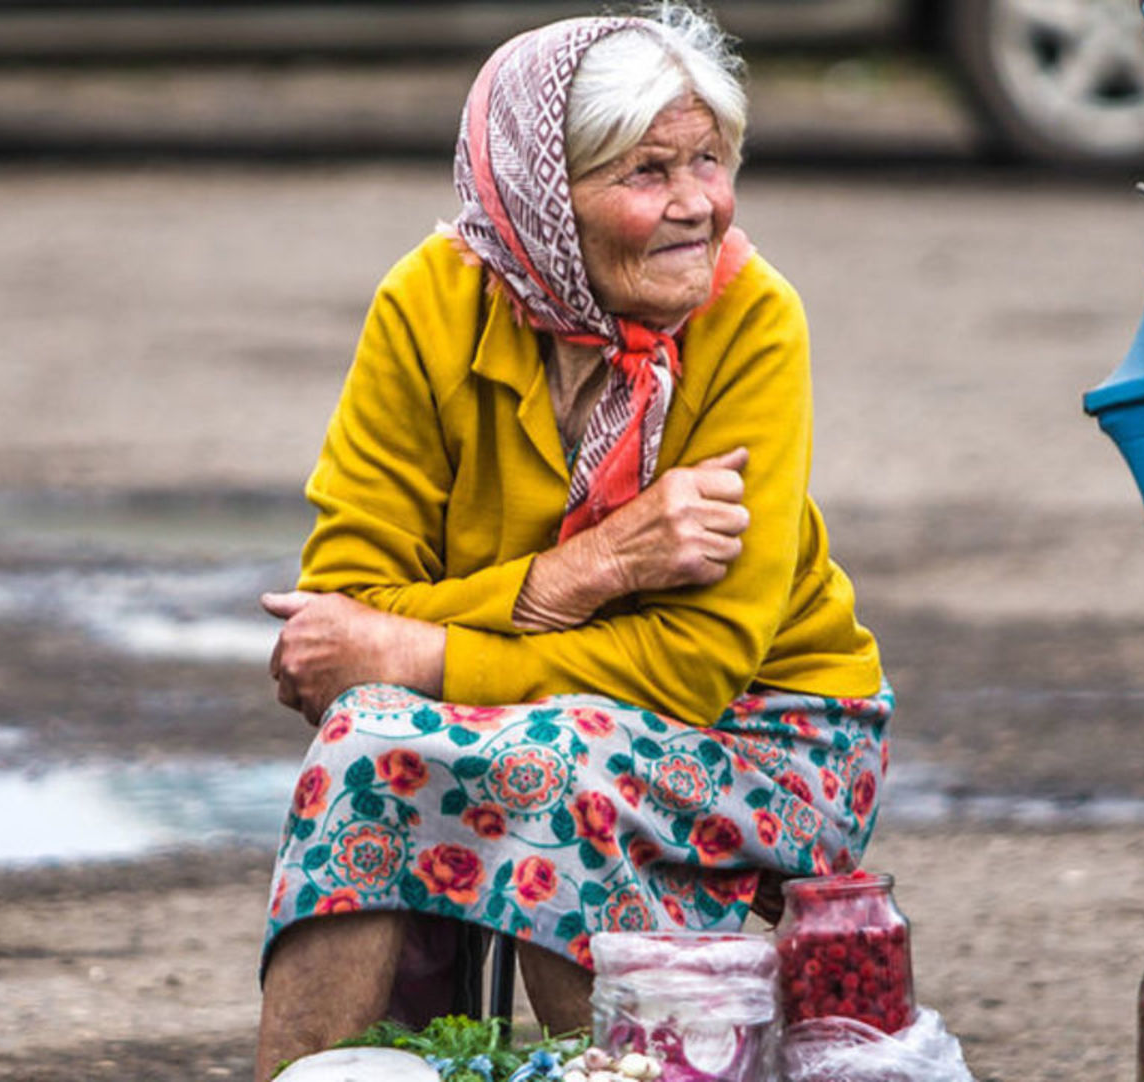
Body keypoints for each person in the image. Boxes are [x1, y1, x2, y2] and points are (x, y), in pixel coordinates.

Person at [252, 5, 890, 1077]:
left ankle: (632, 1066)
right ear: (547, 195)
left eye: (710, 161)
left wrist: (422, 652)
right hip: (555, 715)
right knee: (365, 736)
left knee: (542, 766)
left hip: (776, 736)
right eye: (649, 172)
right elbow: (345, 607)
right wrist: (586, 569)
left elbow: (692, 667)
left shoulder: (752, 319)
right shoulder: (430, 305)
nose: (698, 205)